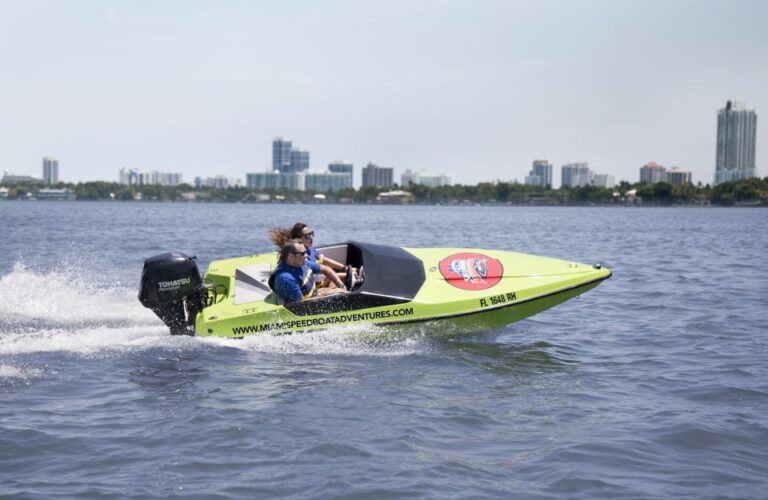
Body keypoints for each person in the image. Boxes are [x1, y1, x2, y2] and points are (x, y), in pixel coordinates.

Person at [269, 222, 348, 287]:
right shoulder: (301, 259)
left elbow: (324, 260)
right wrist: (346, 275)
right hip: (316, 285)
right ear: (299, 239)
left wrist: (344, 268)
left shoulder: (310, 249)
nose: (311, 237)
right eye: (307, 236)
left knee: (346, 274)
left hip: (321, 279)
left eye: (311, 234)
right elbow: (317, 279)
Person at [269, 240, 346, 303]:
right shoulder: (286, 278)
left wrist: (341, 285)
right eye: (302, 253)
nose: (306, 256)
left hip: (315, 294)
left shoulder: (302, 263)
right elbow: (302, 305)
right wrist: (326, 293)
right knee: (342, 293)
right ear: (290, 256)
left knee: (341, 288)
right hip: (305, 305)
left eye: (305, 252)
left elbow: (326, 269)